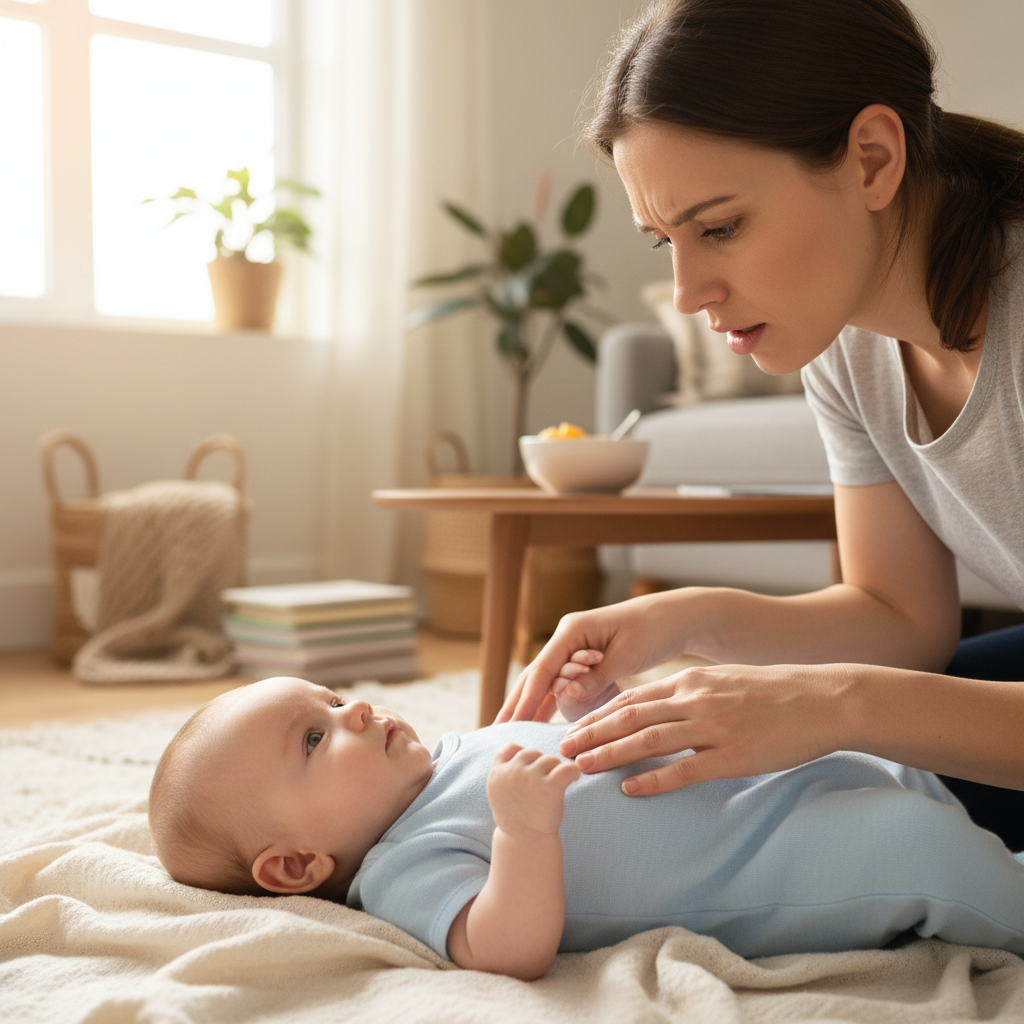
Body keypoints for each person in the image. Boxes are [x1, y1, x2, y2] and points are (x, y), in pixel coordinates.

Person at [498, 0, 1024, 852]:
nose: (688, 291)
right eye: (668, 243)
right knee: (842, 778)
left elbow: (877, 681)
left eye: (721, 227)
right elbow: (902, 615)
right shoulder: (848, 349)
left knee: (866, 749)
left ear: (874, 159)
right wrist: (689, 619)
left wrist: (833, 700)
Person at [148, 676, 1024, 981]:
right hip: (781, 857)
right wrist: (525, 838)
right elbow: (504, 949)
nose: (356, 709)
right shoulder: (400, 866)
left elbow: (584, 752)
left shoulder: (452, 751)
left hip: (780, 773)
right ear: (298, 864)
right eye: (315, 736)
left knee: (912, 763)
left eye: (331, 698)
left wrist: (588, 709)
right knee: (929, 852)